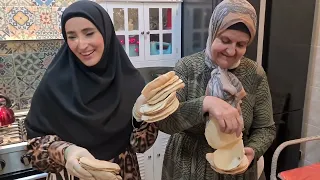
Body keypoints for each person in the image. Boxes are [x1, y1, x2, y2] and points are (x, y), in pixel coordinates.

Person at [25, 1, 158, 180]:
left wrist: (143, 118)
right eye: (72, 36)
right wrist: (65, 152)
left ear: (106, 32)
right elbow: (34, 150)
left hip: (121, 173)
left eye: (89, 33)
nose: (81, 45)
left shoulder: (132, 83)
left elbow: (141, 145)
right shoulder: (52, 84)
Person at [155, 0, 276, 179]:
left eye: (241, 44)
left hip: (234, 167)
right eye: (225, 40)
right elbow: (166, 122)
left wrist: (252, 150)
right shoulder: (187, 67)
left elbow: (266, 128)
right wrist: (205, 104)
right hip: (188, 167)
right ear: (212, 33)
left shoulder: (254, 74)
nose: (231, 51)